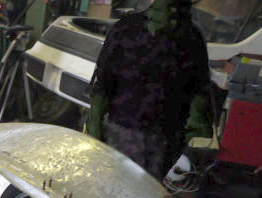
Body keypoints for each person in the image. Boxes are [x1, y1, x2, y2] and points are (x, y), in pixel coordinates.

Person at [86, 0, 212, 180]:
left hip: (159, 137)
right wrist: (94, 127)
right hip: (128, 132)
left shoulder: (191, 36)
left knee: (137, 188)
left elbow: (199, 91)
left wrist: (190, 138)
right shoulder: (126, 29)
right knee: (119, 184)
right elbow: (103, 82)